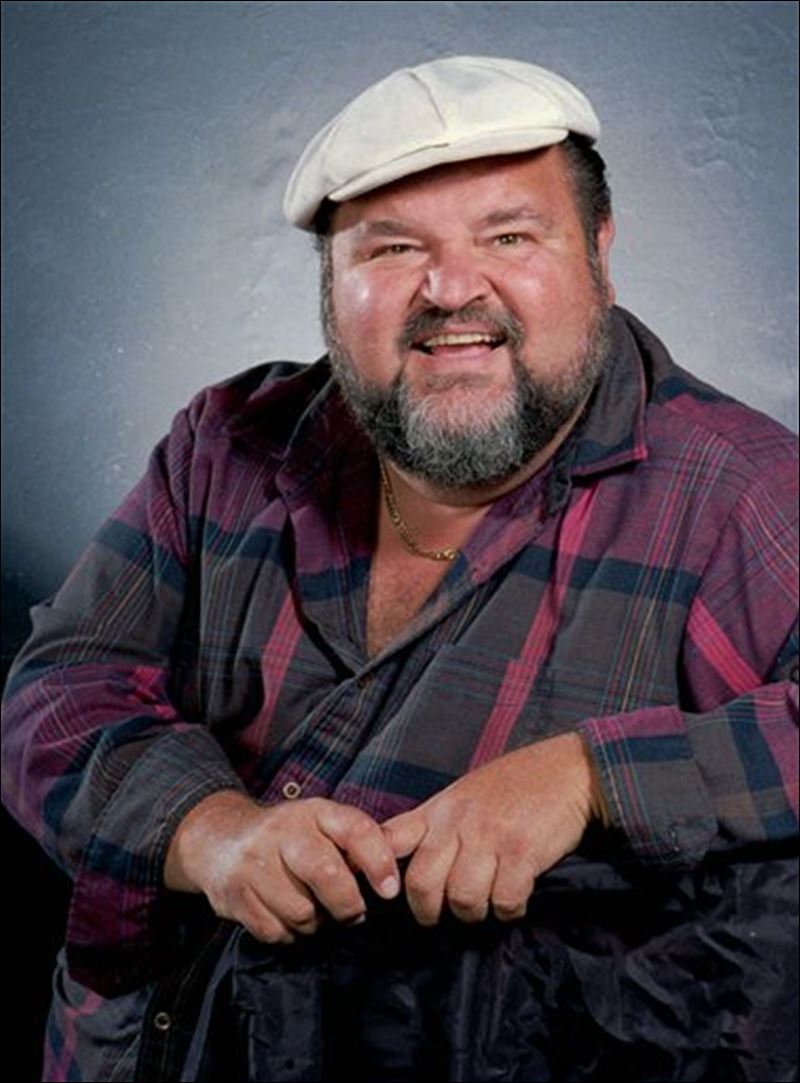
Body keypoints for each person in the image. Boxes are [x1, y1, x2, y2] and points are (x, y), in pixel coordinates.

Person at [2, 56, 798, 1083]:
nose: (451, 289)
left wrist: (589, 776)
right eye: (391, 248)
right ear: (330, 285)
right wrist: (212, 834)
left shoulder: (740, 493)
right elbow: (57, 688)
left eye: (509, 237)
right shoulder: (226, 442)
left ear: (600, 251)